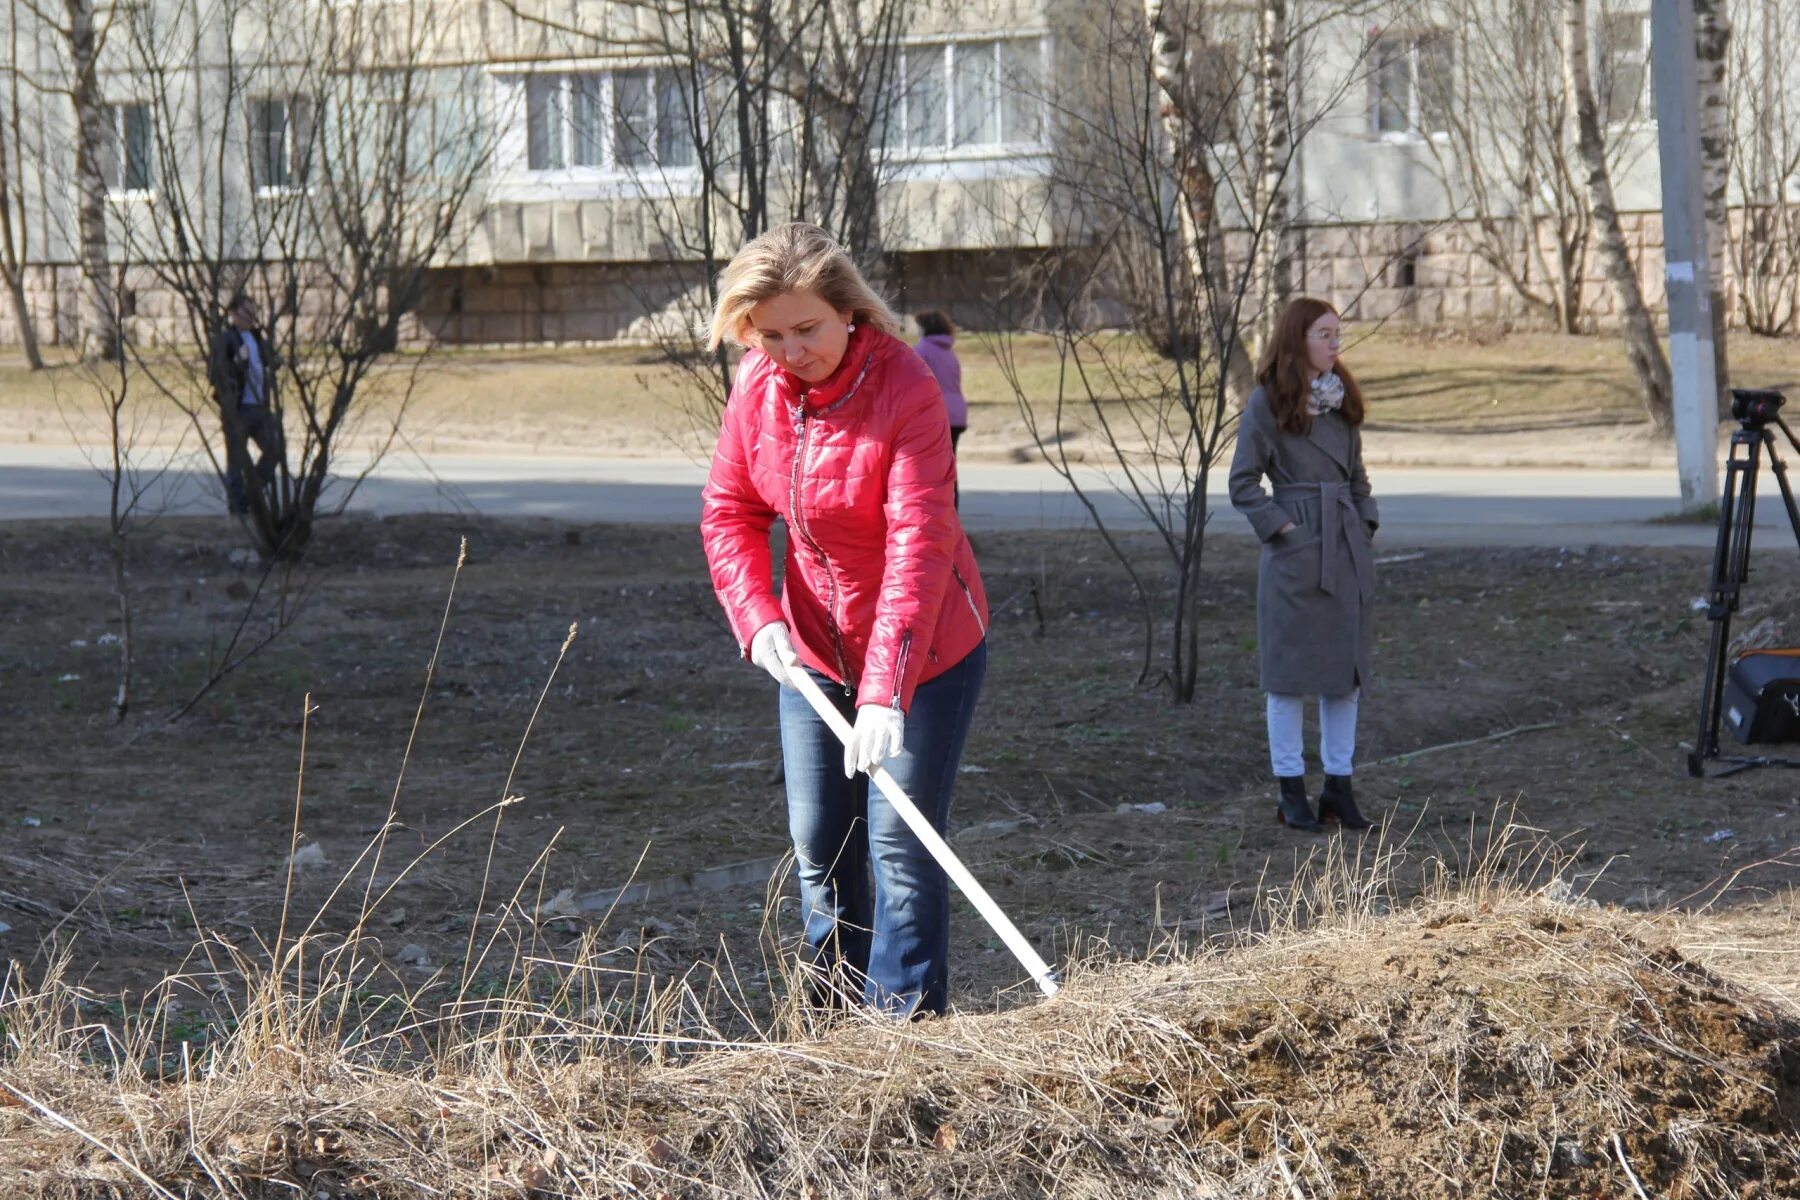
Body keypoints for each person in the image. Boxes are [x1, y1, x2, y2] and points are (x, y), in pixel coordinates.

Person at [700, 223, 989, 1018]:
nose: (791, 351)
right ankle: (833, 1024)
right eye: (770, 335)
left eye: (808, 329)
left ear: (850, 312)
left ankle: (904, 1031)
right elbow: (728, 511)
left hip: (924, 652)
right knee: (821, 844)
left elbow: (919, 544)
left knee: (899, 844)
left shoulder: (907, 387)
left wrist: (886, 690)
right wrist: (757, 616)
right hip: (811, 652)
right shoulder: (756, 389)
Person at [1229, 297, 1379, 833]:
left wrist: (1364, 523)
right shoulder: (1267, 403)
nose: (1336, 343)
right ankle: (1290, 792)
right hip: (1295, 558)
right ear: (1298, 339)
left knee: (1346, 677)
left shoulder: (1342, 401)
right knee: (1288, 679)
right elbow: (1243, 483)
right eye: (1325, 333)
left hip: (1345, 550)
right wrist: (1286, 529)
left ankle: (1339, 787)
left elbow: (1358, 477)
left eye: (1339, 334)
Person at [206, 294, 284, 516]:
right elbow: (214, 375)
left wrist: (275, 361)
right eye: (246, 312)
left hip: (259, 407)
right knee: (236, 461)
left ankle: (252, 494)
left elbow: (268, 361)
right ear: (234, 314)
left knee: (274, 449)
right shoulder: (225, 339)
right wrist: (237, 362)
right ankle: (237, 508)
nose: (251, 317)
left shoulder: (258, 338)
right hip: (238, 409)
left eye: (253, 312)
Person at [912, 310, 966, 507]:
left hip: (936, 415)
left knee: (931, 470)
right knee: (949, 468)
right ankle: (953, 513)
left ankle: (939, 513)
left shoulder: (922, 349)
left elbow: (912, 381)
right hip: (957, 414)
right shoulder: (949, 351)